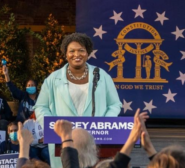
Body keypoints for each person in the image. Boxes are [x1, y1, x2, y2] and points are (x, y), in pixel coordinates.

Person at [34, 33, 122, 167]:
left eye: (81, 50)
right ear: (66, 54)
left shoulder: (101, 76)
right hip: (63, 138)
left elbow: (115, 104)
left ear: (88, 54)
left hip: (94, 138)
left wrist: (105, 123)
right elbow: (40, 106)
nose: (77, 54)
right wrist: (52, 125)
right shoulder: (53, 78)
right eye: (72, 51)